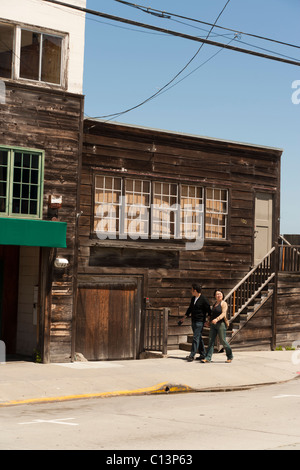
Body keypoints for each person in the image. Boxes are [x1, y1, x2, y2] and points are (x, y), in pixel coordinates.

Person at [179, 283, 211, 362]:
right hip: (193, 320)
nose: (191, 291)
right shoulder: (193, 298)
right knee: (198, 337)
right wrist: (184, 318)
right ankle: (203, 354)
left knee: (195, 338)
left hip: (200, 322)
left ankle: (191, 355)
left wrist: (208, 321)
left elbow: (209, 311)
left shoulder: (204, 299)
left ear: (195, 290)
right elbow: (190, 309)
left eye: (191, 290)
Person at [201, 289, 233, 363]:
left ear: (222, 295)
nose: (219, 295)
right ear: (215, 296)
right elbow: (212, 315)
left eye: (220, 294)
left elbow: (223, 314)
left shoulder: (223, 303)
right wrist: (209, 322)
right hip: (213, 325)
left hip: (221, 324)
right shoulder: (214, 304)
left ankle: (230, 356)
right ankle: (208, 358)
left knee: (223, 341)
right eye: (217, 294)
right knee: (211, 341)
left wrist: (217, 319)